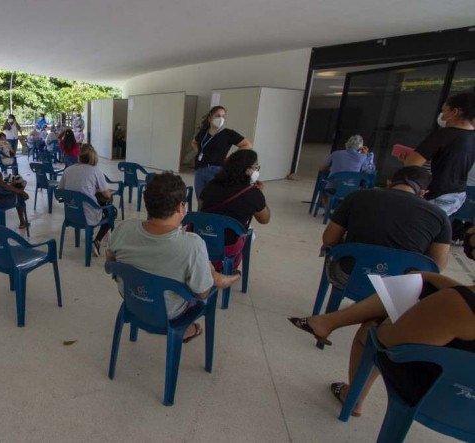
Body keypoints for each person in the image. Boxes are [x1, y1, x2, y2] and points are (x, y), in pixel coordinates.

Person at [289, 270, 475, 416]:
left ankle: (353, 399)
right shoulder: (458, 299)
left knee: (371, 330)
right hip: (467, 409)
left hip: (441, 396)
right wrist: (429, 277)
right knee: (424, 288)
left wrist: (394, 316)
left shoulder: (457, 303)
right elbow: (442, 263)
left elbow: (386, 339)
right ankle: (327, 322)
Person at [106, 172, 240, 341]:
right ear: (180, 207)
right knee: (203, 282)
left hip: (132, 299)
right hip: (171, 312)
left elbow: (110, 260)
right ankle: (187, 327)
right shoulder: (193, 244)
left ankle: (212, 274)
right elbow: (203, 293)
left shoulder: (123, 228)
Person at [322, 166, 451, 291]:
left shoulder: (356, 197)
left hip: (350, 276)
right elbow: (437, 265)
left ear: (389, 182)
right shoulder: (439, 216)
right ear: (423, 193)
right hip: (402, 286)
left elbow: (329, 240)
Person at [199, 149, 270, 273]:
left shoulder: (211, 185)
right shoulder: (253, 193)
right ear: (247, 170)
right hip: (228, 245)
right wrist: (260, 195)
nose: (257, 170)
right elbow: (265, 219)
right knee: (246, 233)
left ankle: (212, 266)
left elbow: (201, 210)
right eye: (256, 167)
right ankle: (229, 268)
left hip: (203, 238)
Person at [404, 92, 475, 215]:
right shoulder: (472, 137)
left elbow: (411, 165)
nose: (442, 116)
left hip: (437, 195)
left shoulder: (444, 135)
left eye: (445, 111)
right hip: (458, 196)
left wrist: (408, 159)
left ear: (455, 112)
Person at [58, 144, 113, 256]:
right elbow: (107, 195)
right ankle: (97, 240)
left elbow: (60, 191)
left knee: (90, 199)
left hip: (71, 214)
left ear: (79, 156)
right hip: (88, 216)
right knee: (111, 211)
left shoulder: (68, 170)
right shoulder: (95, 171)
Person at [190, 106, 252, 197]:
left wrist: (230, 158)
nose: (221, 118)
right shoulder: (204, 132)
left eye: (223, 116)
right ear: (210, 117)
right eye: (218, 115)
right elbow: (194, 142)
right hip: (200, 170)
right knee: (200, 198)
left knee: (212, 199)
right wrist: (200, 152)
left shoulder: (228, 134)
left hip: (216, 171)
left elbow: (247, 145)